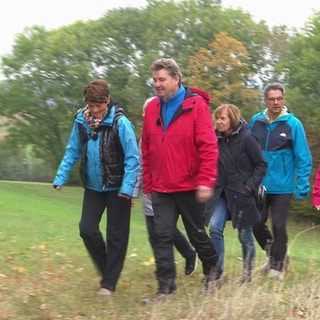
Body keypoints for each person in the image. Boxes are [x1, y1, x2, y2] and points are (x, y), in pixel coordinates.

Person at [141, 58, 221, 303]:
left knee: (197, 235)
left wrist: (206, 181)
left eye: (161, 79)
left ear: (176, 79)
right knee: (161, 235)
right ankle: (166, 289)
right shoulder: (152, 108)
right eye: (154, 80)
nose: (157, 84)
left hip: (190, 186)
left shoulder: (196, 106)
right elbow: (146, 148)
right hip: (162, 187)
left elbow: (209, 147)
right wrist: (148, 184)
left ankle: (213, 269)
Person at [53, 79, 140, 296]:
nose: (95, 110)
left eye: (98, 106)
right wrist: (61, 177)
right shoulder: (81, 121)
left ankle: (108, 284)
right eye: (91, 106)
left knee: (115, 235)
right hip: (93, 187)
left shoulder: (121, 123)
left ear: (107, 100)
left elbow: (133, 158)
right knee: (87, 229)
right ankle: (108, 270)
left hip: (118, 187)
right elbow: (73, 149)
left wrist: (128, 189)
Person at [249, 83, 312, 279]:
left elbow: (303, 157)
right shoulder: (256, 121)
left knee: (278, 224)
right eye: (272, 99)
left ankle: (278, 267)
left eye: (279, 98)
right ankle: (275, 253)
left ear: (283, 100)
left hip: (283, 186)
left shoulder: (293, 124)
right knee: (256, 223)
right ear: (265, 101)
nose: (276, 102)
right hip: (260, 184)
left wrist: (302, 186)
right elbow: (248, 151)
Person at [132, 97, 197, 277]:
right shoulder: (145, 138)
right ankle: (164, 267)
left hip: (169, 191)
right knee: (155, 232)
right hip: (150, 190)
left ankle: (188, 254)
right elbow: (140, 166)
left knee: (164, 230)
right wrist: (134, 192)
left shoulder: (172, 131)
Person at [205, 104, 268, 284]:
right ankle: (217, 274)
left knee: (244, 236)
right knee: (215, 228)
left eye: (222, 118)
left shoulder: (247, 138)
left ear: (232, 119)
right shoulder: (214, 138)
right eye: (217, 118)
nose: (218, 122)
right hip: (220, 194)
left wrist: (249, 187)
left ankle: (247, 276)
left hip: (242, 195)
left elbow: (261, 165)